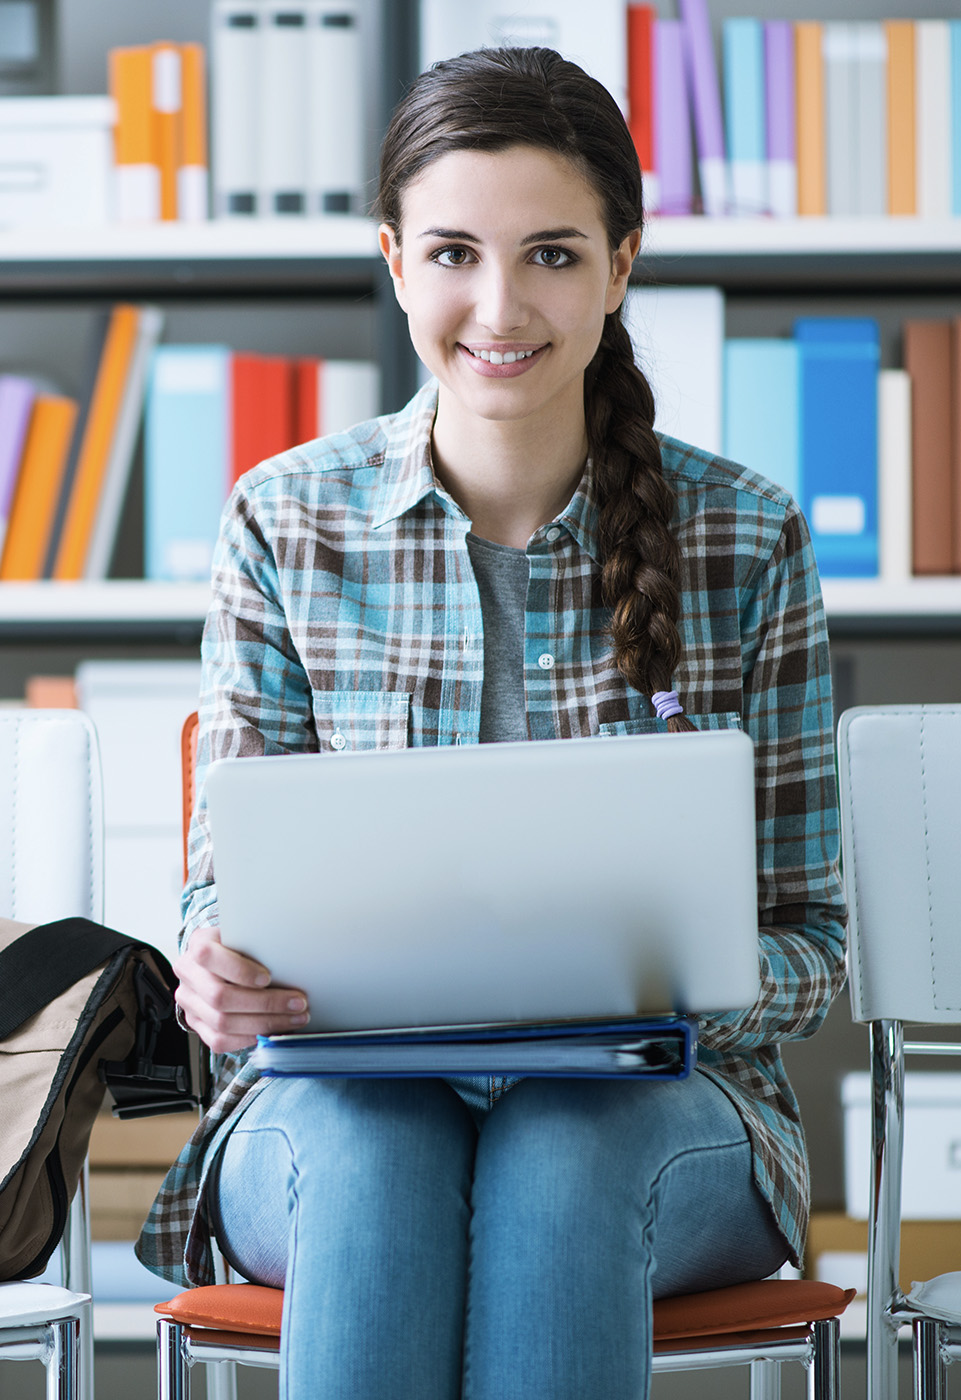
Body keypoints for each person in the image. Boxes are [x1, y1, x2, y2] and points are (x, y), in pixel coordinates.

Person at [138, 45, 847, 1400]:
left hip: (661, 1115)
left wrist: (680, 972)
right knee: (382, 1152)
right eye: (456, 252)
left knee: (557, 1154)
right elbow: (220, 899)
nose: (500, 304)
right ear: (396, 262)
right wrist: (212, 970)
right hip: (333, 1113)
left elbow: (814, 942)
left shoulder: (743, 537)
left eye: (553, 255)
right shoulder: (284, 518)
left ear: (621, 265)